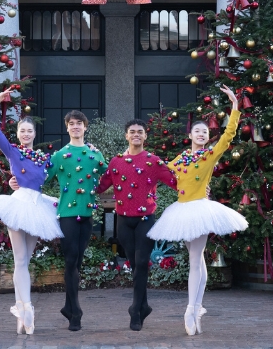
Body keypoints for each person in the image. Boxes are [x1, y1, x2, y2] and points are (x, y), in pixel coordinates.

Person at [147, 84, 247, 336]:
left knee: (195, 258)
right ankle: (198, 305)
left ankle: (190, 309)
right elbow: (159, 171)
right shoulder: (180, 159)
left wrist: (235, 106)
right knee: (197, 257)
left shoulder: (209, 156)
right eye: (197, 131)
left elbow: (228, 137)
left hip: (200, 211)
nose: (201, 134)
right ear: (190, 136)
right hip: (182, 211)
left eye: (204, 131)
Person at [0, 85, 61, 335]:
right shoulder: (13, 152)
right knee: (22, 261)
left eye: (30, 130)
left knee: (22, 261)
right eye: (22, 130)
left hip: (35, 204)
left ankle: (24, 310)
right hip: (22, 204)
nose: (26, 133)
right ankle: (25, 309)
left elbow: (59, 171)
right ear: (19, 134)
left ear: (34, 133)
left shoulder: (44, 159)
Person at [96, 119, 178, 331]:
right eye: (132, 132)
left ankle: (135, 310)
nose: (136, 135)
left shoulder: (153, 161)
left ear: (145, 136)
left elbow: (175, 181)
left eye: (140, 132)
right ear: (126, 136)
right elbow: (101, 185)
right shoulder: (116, 162)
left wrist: (199, 189)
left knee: (141, 263)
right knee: (135, 265)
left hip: (145, 221)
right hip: (123, 221)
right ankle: (144, 305)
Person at [42, 110, 105, 331]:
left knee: (77, 262)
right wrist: (16, 182)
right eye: (72, 123)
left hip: (87, 215)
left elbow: (111, 177)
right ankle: (75, 312)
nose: (76, 126)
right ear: (67, 128)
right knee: (70, 260)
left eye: (80, 123)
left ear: (85, 127)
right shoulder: (59, 156)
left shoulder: (96, 154)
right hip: (67, 215)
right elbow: (41, 177)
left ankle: (68, 307)